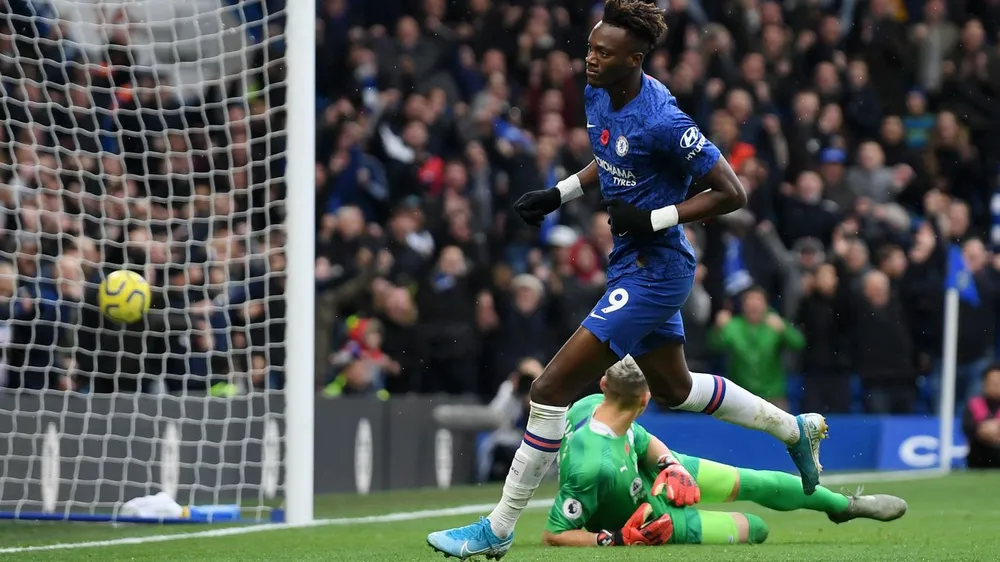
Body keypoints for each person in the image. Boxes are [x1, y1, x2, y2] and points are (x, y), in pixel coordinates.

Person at [427, 2, 828, 559]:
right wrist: (559, 193)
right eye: (590, 48)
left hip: (655, 270)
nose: (589, 59)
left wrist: (655, 218)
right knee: (675, 389)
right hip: (631, 261)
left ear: (634, 60)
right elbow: (611, 157)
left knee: (548, 391)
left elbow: (731, 192)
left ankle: (497, 529)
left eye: (603, 53)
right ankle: (794, 430)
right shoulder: (597, 91)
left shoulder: (665, 117)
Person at [541, 357, 907, 547]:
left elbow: (639, 440)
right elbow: (555, 533)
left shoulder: (590, 404)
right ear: (646, 400)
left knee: (757, 482)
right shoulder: (592, 469)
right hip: (650, 523)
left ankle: (844, 507)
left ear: (605, 386)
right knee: (757, 529)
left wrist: (669, 463)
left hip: (659, 472)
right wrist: (615, 539)